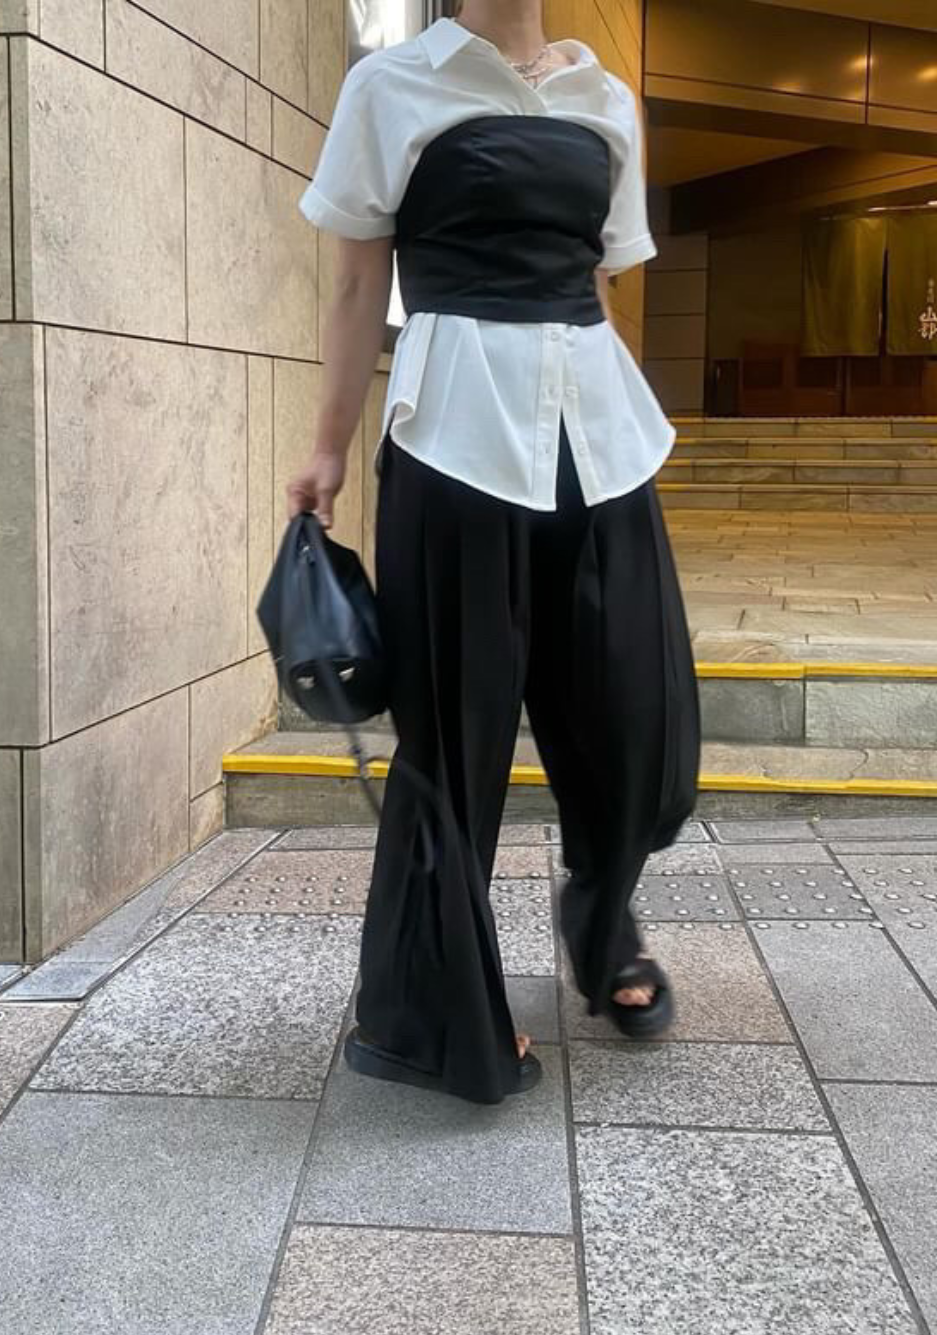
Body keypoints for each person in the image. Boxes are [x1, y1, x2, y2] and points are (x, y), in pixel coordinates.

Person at [288, 0, 700, 1106]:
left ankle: (601, 920)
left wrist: (607, 412)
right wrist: (327, 447)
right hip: (454, 437)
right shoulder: (394, 83)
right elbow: (356, 283)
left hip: (595, 443)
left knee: (632, 710)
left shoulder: (603, 97)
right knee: (456, 733)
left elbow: (600, 280)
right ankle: (430, 1011)